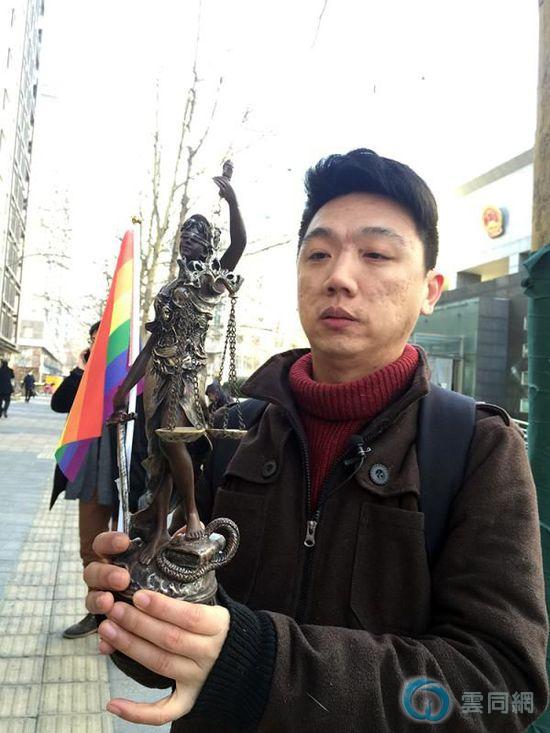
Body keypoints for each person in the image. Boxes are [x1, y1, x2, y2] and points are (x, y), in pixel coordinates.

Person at [84, 149, 549, 732]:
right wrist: (145, 622)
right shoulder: (233, 429)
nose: (339, 277)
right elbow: (199, 638)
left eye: (375, 254)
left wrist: (259, 665)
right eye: (319, 254)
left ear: (430, 289)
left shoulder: (475, 449)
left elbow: (503, 685)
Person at [110, 164, 246, 563]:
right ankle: (159, 529)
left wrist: (233, 202)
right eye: (184, 233)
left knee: (174, 439)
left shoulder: (208, 281)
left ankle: (191, 512)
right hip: (159, 375)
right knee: (159, 452)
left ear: (207, 246)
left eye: (196, 235)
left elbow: (238, 245)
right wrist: (125, 388)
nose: (187, 239)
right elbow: (153, 343)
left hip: (187, 374)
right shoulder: (171, 288)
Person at [51, 321, 147, 639]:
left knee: (126, 551)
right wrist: (81, 369)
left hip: (127, 476)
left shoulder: (138, 380)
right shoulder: (87, 378)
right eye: (93, 338)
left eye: (102, 337)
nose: (97, 343)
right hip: (91, 476)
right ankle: (98, 613)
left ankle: (126, 615)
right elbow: (58, 403)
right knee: (91, 549)